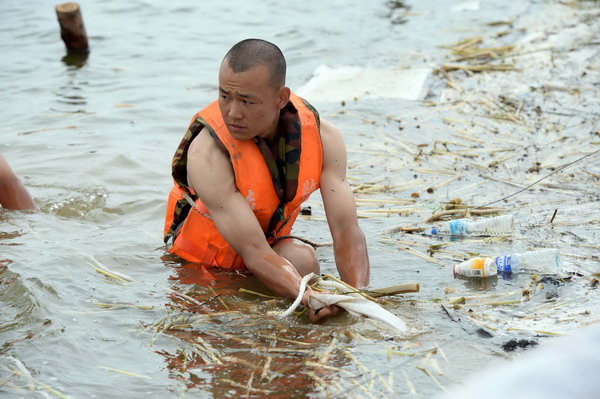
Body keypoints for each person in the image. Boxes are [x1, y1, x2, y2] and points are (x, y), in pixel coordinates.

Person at [164, 39, 369, 322]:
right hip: (202, 267)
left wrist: (357, 296)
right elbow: (255, 252)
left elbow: (347, 229)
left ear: (281, 98)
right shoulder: (207, 154)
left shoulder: (324, 138)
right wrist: (308, 298)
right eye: (225, 97)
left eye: (247, 101)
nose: (233, 112)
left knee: (303, 260)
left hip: (265, 249)